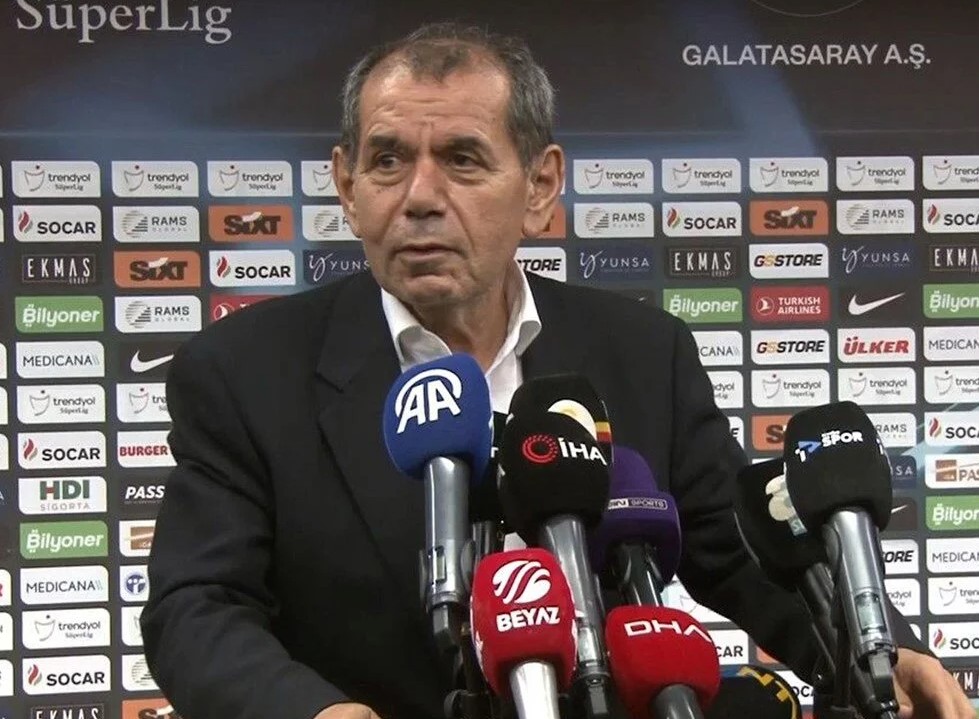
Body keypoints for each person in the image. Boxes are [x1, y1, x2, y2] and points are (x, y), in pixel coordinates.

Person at [141, 22, 973, 719]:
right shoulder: (244, 372)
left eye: (462, 159)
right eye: (387, 159)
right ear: (346, 185)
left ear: (540, 187)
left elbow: (742, 552)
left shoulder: (640, 352)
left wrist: (881, 650)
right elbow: (196, 607)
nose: (419, 195)